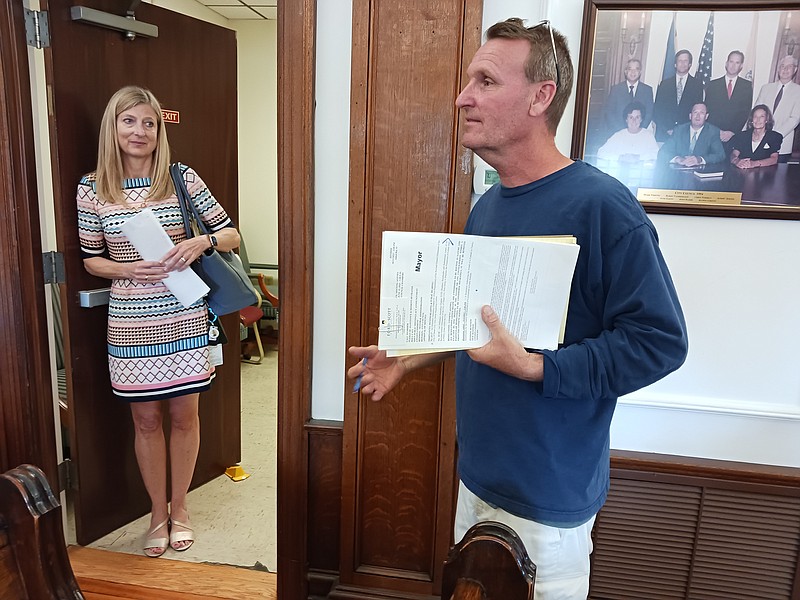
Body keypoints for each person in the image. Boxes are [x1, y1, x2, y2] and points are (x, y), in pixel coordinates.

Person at [348, 18, 688, 599]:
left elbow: (659, 342)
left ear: (541, 96)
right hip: (477, 479)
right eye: (468, 80)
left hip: (548, 500)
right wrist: (411, 357)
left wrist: (537, 369)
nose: (464, 95)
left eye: (485, 79)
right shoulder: (489, 207)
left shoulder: (605, 207)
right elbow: (483, 327)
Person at [76, 86, 241, 558]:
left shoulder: (180, 178)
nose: (139, 131)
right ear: (114, 127)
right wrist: (126, 268)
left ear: (159, 129)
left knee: (184, 415)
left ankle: (182, 509)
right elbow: (91, 260)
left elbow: (230, 233)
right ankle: (156, 514)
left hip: (184, 313)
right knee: (145, 419)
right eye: (129, 122)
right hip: (129, 321)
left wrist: (202, 243)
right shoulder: (93, 188)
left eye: (148, 123)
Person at [754, 55, 800, 162]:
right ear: (778, 69)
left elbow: (795, 118)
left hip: (782, 144)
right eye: (782, 66)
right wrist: (762, 135)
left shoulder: (798, 91)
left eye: (789, 66)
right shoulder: (766, 88)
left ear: (795, 69)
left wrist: (773, 136)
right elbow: (756, 112)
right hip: (759, 141)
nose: (785, 69)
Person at [704, 51, 753, 145]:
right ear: (726, 63)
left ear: (741, 66)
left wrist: (731, 131)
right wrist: (718, 132)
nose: (733, 65)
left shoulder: (746, 86)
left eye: (737, 63)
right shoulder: (713, 85)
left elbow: (745, 112)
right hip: (714, 134)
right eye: (731, 61)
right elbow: (709, 109)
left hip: (733, 136)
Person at [653, 50, 704, 142]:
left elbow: (697, 111)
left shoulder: (697, 85)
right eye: (680, 61)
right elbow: (658, 109)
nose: (683, 63)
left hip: (685, 134)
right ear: (675, 64)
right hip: (664, 133)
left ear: (690, 64)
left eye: (686, 61)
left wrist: (681, 130)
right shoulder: (665, 84)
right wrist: (667, 128)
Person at [657, 102, 725, 167]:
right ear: (690, 116)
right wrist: (678, 159)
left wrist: (699, 159)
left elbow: (720, 155)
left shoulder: (712, 132)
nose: (698, 116)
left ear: (706, 116)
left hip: (701, 172)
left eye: (702, 113)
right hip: (679, 172)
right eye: (695, 112)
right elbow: (663, 152)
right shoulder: (679, 130)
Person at [604, 59, 654, 136]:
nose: (633, 72)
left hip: (639, 135)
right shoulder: (616, 90)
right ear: (625, 72)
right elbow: (610, 113)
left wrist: (638, 131)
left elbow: (649, 114)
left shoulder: (647, 90)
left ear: (640, 72)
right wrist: (622, 132)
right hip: (618, 133)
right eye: (630, 69)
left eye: (636, 69)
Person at [729, 104, 783, 169]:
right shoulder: (742, 136)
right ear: (752, 120)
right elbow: (733, 154)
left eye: (762, 116)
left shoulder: (775, 137)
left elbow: (774, 159)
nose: (758, 120)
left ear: (767, 120)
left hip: (765, 175)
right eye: (755, 116)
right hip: (742, 173)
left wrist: (754, 163)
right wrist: (737, 161)